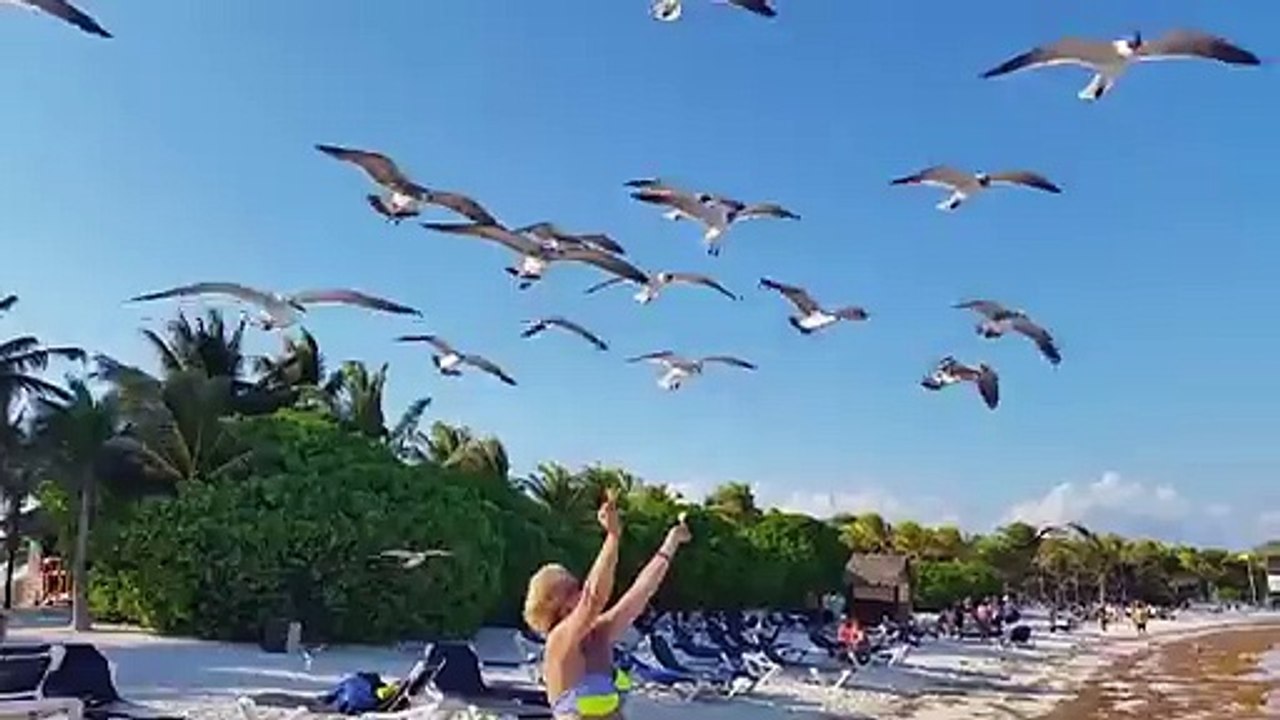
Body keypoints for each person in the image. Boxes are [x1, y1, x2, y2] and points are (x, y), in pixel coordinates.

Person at [523, 491, 693, 719]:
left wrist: (670, 544)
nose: (581, 590)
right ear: (557, 605)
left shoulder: (599, 633)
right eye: (573, 589)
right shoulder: (560, 641)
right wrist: (612, 537)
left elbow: (640, 593)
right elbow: (593, 599)